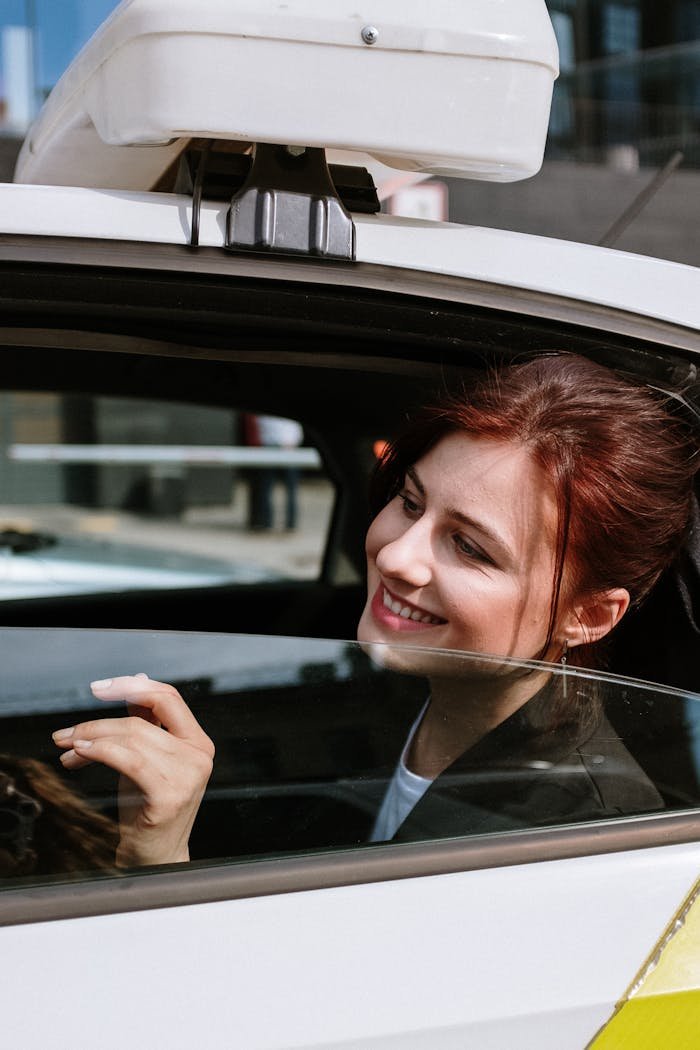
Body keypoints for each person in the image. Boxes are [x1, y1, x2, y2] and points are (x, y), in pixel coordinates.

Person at [51, 353, 698, 862]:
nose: (397, 556)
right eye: (412, 503)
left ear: (587, 615)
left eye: (470, 547)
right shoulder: (391, 689)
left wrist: (160, 862)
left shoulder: (580, 834)